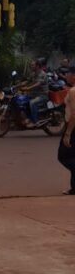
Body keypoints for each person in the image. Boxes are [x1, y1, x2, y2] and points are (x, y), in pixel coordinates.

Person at [58, 64, 75, 195]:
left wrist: (68, 133)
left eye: (68, 73)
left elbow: (74, 114)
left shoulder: (73, 91)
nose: (66, 76)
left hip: (73, 127)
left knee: (63, 156)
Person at [22, 58, 49, 126]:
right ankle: (28, 117)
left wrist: (27, 88)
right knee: (23, 101)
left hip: (43, 95)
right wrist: (16, 86)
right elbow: (27, 81)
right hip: (34, 95)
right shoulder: (33, 74)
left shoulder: (43, 74)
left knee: (32, 103)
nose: (31, 67)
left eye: (32, 65)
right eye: (31, 65)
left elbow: (38, 84)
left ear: (37, 66)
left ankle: (35, 121)